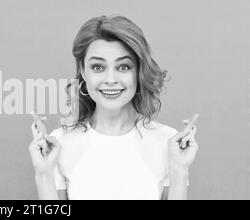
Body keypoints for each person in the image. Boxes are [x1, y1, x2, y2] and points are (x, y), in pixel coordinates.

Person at [28, 15, 199, 200]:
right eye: (98, 67)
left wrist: (179, 170)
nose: (110, 80)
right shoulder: (59, 143)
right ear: (83, 70)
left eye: (123, 67)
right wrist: (44, 173)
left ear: (139, 71)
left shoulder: (166, 142)